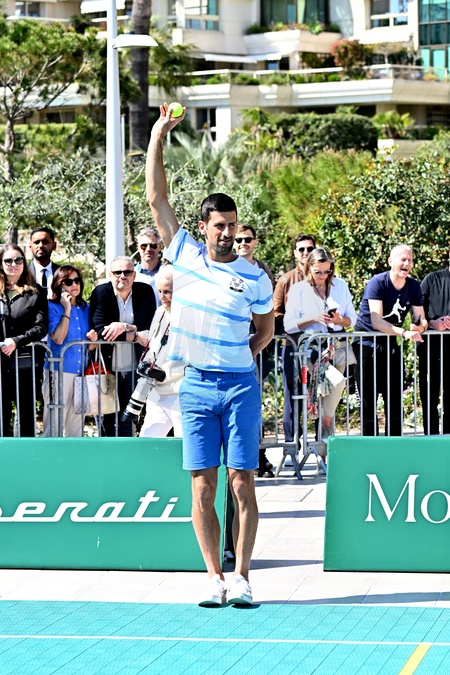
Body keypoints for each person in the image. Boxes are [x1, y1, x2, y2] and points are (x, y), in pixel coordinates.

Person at [147, 102, 274, 607]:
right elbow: (156, 197)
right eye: (219, 225)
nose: (227, 234)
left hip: (240, 387)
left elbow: (265, 330)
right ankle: (214, 578)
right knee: (202, 487)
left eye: (233, 226)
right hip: (195, 385)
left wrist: (240, 356)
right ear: (203, 226)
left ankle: (242, 577)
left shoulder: (255, 277)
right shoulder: (181, 252)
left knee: (242, 484)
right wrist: (159, 133)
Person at [284, 247, 357, 466]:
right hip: (312, 350)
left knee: (329, 399)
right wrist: (313, 317)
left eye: (327, 271)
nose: (323, 275)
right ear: (309, 268)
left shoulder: (340, 286)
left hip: (337, 347)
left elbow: (352, 319)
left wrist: (338, 320)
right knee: (331, 388)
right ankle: (317, 439)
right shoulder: (298, 290)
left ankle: (323, 454)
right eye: (318, 271)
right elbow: (288, 324)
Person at [354, 244, 427, 436]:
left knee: (395, 400)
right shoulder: (377, 282)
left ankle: (394, 445)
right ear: (390, 261)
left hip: (390, 344)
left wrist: (420, 327)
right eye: (403, 259)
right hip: (366, 344)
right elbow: (376, 320)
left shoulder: (414, 286)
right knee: (368, 402)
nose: (407, 264)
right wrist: (404, 333)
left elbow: (421, 317)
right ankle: (370, 446)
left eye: (410, 260)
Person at [89, 256, 157, 437]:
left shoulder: (145, 291)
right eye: (117, 272)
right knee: (105, 419)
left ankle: (127, 452)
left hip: (135, 367)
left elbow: (149, 328)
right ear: (110, 275)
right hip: (106, 367)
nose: (122, 276)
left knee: (128, 418)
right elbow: (101, 330)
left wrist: (124, 326)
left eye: (127, 272)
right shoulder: (101, 293)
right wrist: (135, 334)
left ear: (134, 275)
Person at [234, 223, 274, 477]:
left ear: (255, 242)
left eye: (247, 239)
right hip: (231, 343)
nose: (242, 244)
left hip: (255, 344)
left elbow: (266, 312)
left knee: (253, 403)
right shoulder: (224, 266)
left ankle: (257, 456)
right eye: (238, 240)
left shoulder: (262, 271)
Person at [43, 265, 98, 437]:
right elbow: (58, 338)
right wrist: (66, 309)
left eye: (77, 280)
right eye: (68, 282)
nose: (74, 284)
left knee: (76, 428)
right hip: (58, 372)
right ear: (58, 285)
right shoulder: (52, 307)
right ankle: (51, 455)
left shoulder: (86, 308)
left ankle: (74, 455)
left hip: (82, 373)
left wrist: (94, 340)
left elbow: (90, 347)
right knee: (54, 426)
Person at [0, 243, 48, 436]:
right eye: (8, 260)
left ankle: (27, 454)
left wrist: (16, 341)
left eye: (18, 260)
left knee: (26, 415)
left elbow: (41, 327)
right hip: (0, 364)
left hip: (25, 362)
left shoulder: (36, 292)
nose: (14, 264)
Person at [273, 233, 316, 445]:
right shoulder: (285, 280)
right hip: (291, 344)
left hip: (317, 345)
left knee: (318, 392)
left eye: (310, 249)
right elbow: (276, 312)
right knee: (291, 392)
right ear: (295, 253)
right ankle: (291, 443)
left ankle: (320, 443)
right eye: (302, 249)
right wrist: (297, 323)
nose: (305, 253)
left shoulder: (323, 277)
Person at [136, 265, 185, 437]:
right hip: (158, 390)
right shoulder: (160, 312)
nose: (162, 297)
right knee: (146, 442)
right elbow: (155, 343)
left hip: (181, 393)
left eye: (168, 292)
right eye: (160, 291)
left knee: (184, 447)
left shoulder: (189, 314)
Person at [418, 260, 450, 435]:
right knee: (429, 396)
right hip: (431, 350)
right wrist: (432, 323)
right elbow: (417, 311)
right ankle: (430, 440)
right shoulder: (432, 279)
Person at [134, 228, 162, 307]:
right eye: (144, 246)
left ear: (160, 247)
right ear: (138, 248)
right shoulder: (130, 276)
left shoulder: (167, 274)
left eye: (153, 245)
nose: (148, 249)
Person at [28, 226, 60, 295]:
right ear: (30, 246)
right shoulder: (23, 272)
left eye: (45, 242)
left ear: (54, 245)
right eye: (36, 242)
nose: (40, 245)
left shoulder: (62, 273)